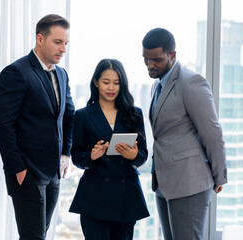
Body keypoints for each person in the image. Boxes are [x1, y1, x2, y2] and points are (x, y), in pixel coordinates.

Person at [0, 14, 75, 239]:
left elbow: (69, 116)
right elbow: (2, 125)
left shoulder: (62, 75)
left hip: (54, 174)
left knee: (40, 235)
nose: (63, 49)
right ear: (40, 39)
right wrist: (18, 169)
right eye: (58, 42)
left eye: (66, 43)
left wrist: (66, 153)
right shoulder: (16, 73)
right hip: (27, 173)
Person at [142, 28, 227, 240]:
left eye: (156, 60)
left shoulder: (191, 82)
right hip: (164, 181)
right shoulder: (156, 86)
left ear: (172, 55)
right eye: (146, 59)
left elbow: (212, 133)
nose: (150, 65)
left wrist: (219, 175)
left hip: (190, 182)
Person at [69, 59, 149, 240]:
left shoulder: (134, 114)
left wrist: (134, 155)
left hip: (126, 196)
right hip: (95, 196)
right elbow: (76, 157)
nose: (111, 88)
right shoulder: (83, 115)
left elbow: (143, 154)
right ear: (96, 82)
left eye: (116, 83)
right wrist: (92, 155)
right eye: (106, 82)